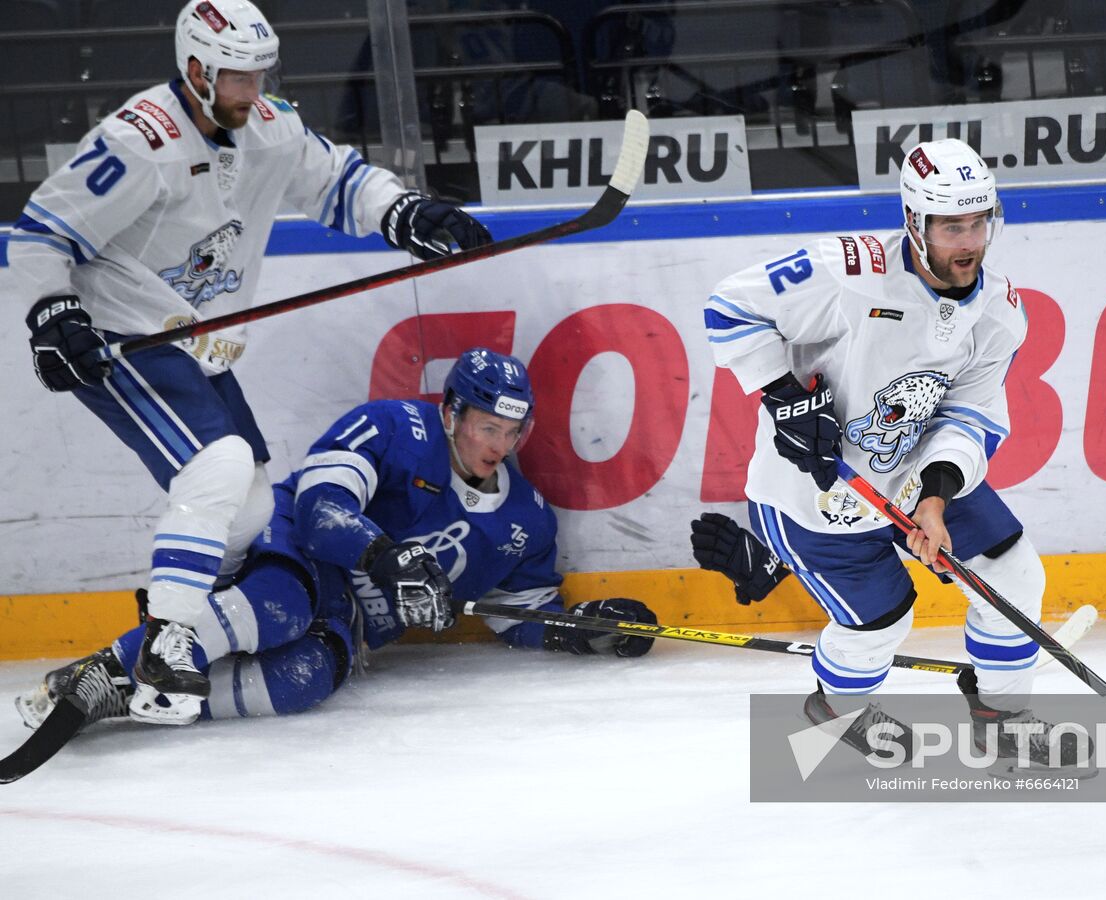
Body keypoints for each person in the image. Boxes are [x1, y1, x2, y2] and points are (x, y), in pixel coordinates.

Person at [4, 1, 492, 725]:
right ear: (195, 70)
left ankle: (178, 635)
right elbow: (40, 233)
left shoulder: (270, 126)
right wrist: (53, 314)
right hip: (120, 331)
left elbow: (337, 181)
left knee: (253, 505)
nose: (252, 91)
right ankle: (166, 640)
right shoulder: (141, 140)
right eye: (237, 77)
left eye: (259, 75)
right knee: (220, 465)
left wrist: (405, 212)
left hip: (195, 345)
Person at [16, 349, 657, 731]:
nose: (501, 445)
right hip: (294, 547)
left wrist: (581, 632)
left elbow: (514, 617)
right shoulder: (394, 426)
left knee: (304, 679)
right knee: (281, 605)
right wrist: (384, 555)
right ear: (451, 413)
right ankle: (106, 668)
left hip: (346, 618)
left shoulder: (527, 520)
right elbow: (321, 510)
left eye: (513, 433)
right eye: (488, 428)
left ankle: (122, 698)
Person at [701, 138, 1087, 770]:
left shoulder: (998, 312)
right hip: (813, 495)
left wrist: (935, 497)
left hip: (910, 476)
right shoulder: (849, 270)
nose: (969, 242)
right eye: (952, 227)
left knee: (1014, 573)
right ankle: (837, 709)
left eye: (979, 223)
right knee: (881, 623)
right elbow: (730, 306)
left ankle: (1002, 718)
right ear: (914, 221)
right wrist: (785, 397)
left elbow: (971, 415)